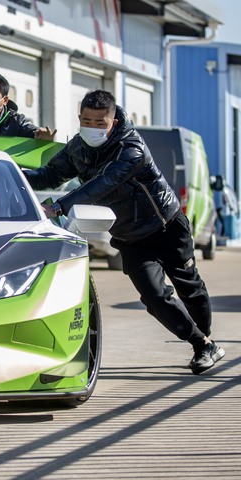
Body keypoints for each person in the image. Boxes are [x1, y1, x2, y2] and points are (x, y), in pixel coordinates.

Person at [23, 89, 224, 375]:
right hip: (130, 237)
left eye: (99, 122)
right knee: (154, 297)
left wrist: (59, 207)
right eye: (86, 120)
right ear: (79, 118)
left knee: (189, 286)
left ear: (114, 121)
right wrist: (9, 172)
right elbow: (49, 175)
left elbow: (104, 184)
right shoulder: (78, 148)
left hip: (167, 227)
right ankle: (202, 345)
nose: (92, 127)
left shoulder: (131, 149)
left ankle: (205, 341)